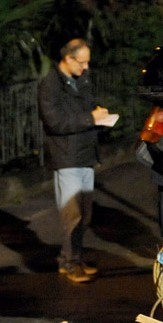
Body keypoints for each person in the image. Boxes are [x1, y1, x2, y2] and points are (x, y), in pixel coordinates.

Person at [38, 39, 109, 283]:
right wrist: (90, 118)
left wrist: (98, 115)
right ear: (68, 59)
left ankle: (73, 259)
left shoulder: (81, 79)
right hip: (66, 157)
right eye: (82, 62)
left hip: (84, 155)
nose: (85, 67)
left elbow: (86, 108)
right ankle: (70, 264)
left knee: (84, 215)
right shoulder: (50, 84)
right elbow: (55, 121)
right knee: (73, 216)